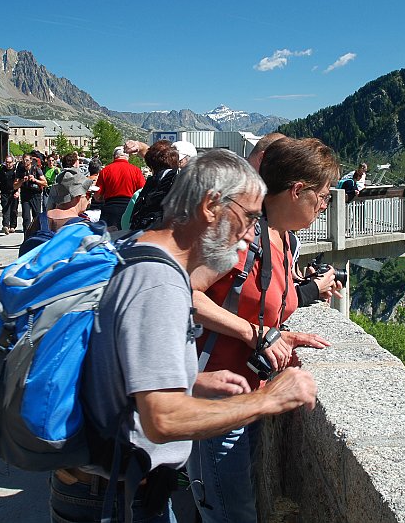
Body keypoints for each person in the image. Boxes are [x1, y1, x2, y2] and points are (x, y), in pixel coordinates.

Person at [51, 149, 317, 522]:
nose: (247, 237)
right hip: (114, 499)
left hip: (106, 488)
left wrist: (190, 380)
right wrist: (269, 399)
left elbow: (120, 365)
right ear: (211, 205)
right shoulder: (158, 282)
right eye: (248, 217)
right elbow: (163, 420)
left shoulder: (140, 248)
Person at [190, 138, 341, 523]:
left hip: (252, 395)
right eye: (322, 195)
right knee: (229, 513)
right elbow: (182, 291)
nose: (325, 204)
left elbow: (265, 308)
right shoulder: (241, 236)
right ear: (296, 190)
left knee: (238, 507)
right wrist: (251, 333)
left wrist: (279, 334)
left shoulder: (285, 240)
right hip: (215, 401)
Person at [17, 167, 94, 257]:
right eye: (88, 195)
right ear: (77, 197)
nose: (90, 199)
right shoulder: (83, 227)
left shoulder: (38, 220)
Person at [123, 139, 180, 231]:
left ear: (151, 167)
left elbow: (125, 224)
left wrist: (139, 145)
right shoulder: (185, 187)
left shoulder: (144, 192)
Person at [94, 146, 145, 230]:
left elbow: (98, 195)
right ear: (127, 157)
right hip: (129, 208)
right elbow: (142, 191)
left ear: (114, 156)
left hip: (110, 209)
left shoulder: (105, 170)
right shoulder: (136, 171)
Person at [14, 153, 48, 235]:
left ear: (31, 161)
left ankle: (37, 235)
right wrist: (22, 181)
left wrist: (35, 180)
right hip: (25, 195)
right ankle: (26, 237)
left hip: (35, 195)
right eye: (24, 160)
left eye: (27, 160)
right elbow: (15, 186)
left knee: (36, 217)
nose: (25, 162)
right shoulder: (20, 170)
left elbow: (45, 183)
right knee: (26, 218)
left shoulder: (36, 169)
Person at [0, 154, 19, 234]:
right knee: (5, 209)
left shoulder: (16, 171)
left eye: (10, 162)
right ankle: (5, 225)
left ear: (13, 163)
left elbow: (19, 182)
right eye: (7, 162)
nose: (8, 164)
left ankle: (13, 226)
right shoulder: (2, 170)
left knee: (13, 210)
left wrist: (18, 192)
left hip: (14, 192)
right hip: (4, 192)